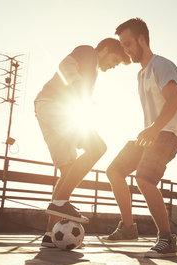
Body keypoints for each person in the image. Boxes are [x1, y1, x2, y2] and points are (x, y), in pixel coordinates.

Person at [34, 38, 130, 248]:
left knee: (68, 170)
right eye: (115, 60)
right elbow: (65, 66)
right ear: (104, 49)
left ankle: (50, 235)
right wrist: (80, 90)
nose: (113, 66)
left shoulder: (93, 67)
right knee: (98, 147)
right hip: (55, 107)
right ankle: (60, 203)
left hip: (49, 108)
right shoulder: (89, 53)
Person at [102, 18, 177, 258]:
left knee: (144, 179)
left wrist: (155, 128)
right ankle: (128, 228)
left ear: (142, 40)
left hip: (169, 133)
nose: (125, 50)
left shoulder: (162, 65)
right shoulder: (140, 74)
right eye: (123, 45)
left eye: (128, 44)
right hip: (152, 134)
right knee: (114, 171)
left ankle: (167, 239)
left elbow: (174, 101)